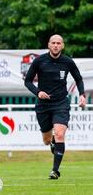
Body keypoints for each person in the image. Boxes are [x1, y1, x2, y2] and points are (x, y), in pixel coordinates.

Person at [25, 34, 86, 179]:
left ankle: (55, 170)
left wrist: (82, 95)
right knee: (46, 140)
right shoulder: (39, 61)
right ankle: (51, 141)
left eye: (59, 43)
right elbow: (27, 81)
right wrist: (38, 92)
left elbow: (78, 78)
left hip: (61, 103)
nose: (56, 45)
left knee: (59, 134)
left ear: (62, 46)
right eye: (53, 43)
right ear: (49, 45)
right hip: (43, 105)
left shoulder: (68, 62)